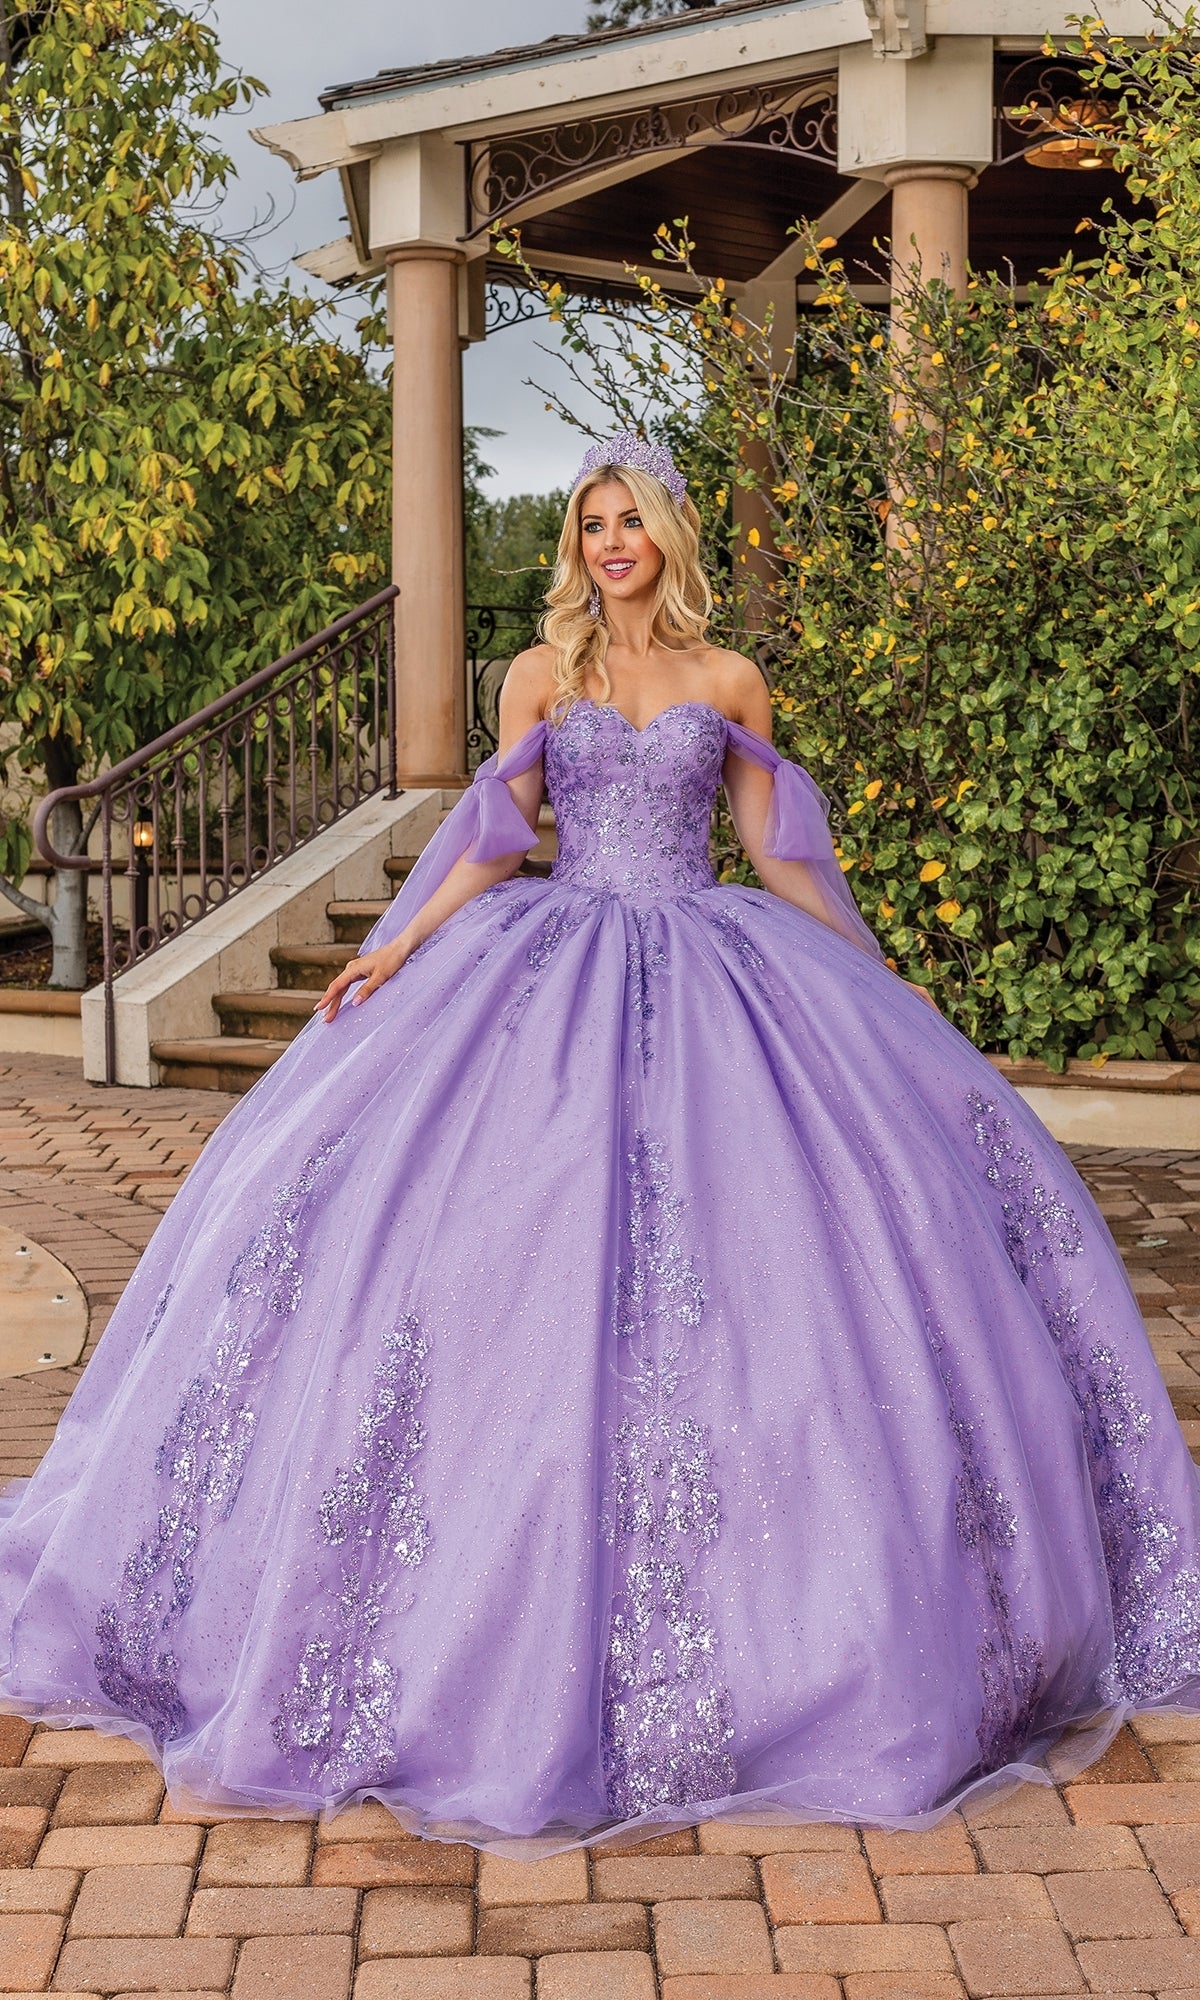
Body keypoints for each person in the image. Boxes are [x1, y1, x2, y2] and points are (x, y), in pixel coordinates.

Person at [0, 434, 1196, 1856]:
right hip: (546, 976)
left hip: (714, 969)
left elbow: (781, 856)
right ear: (574, 542)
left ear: (669, 538)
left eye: (632, 521)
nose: (612, 541)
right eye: (591, 522)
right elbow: (493, 842)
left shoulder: (727, 680)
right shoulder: (541, 678)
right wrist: (396, 951)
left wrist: (878, 987)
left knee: (785, 1282)